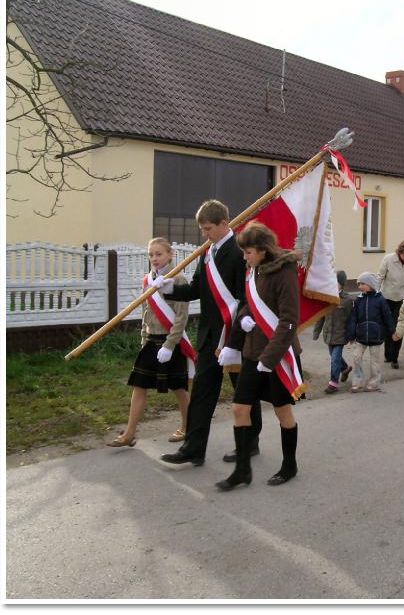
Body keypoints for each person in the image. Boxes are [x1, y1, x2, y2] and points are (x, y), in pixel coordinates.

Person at [155, 200, 260, 467]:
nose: (204, 234)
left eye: (208, 228)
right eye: (202, 229)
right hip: (210, 335)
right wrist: (171, 290)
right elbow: (196, 289)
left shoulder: (240, 253)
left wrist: (235, 341)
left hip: (236, 335)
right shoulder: (208, 253)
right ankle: (193, 448)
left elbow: (246, 298)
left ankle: (249, 444)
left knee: (243, 392)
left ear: (225, 224)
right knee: (202, 392)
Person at [214, 222, 305, 490]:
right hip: (253, 352)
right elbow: (247, 304)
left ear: (263, 250)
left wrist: (270, 358)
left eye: (249, 252)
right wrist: (241, 324)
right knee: (240, 409)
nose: (244, 257)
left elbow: (289, 320)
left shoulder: (284, 273)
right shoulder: (251, 271)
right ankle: (243, 470)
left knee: (282, 412)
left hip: (276, 356)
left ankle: (289, 465)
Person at [107, 237, 192, 447]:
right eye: (151, 255)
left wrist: (170, 345)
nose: (154, 258)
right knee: (139, 385)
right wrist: (144, 339)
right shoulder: (148, 280)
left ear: (170, 254)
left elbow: (181, 317)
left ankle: (188, 427)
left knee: (179, 388)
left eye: (159, 254)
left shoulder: (178, 280)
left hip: (171, 342)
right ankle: (129, 433)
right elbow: (147, 313)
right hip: (151, 341)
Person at [346, 272, 395, 392]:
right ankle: (358, 382)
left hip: (376, 337)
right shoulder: (358, 300)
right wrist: (351, 334)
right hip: (361, 336)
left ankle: (374, 383)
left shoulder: (380, 300)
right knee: (356, 357)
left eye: (362, 284)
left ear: (371, 285)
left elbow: (387, 317)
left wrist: (392, 331)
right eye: (359, 284)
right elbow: (353, 318)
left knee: (375, 362)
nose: (359, 286)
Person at [377, 240, 404, 370]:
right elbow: (380, 277)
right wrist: (376, 294)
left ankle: (394, 357)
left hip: (403, 299)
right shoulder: (388, 259)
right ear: (399, 252)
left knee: (398, 328)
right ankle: (388, 354)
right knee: (389, 327)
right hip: (387, 298)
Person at [312, 271, 354, 393]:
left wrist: (351, 335)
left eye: (335, 282)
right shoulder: (326, 298)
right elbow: (320, 316)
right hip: (328, 334)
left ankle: (333, 383)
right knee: (335, 357)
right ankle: (345, 368)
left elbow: (351, 319)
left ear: (341, 284)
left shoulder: (347, 300)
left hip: (341, 335)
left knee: (335, 358)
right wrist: (316, 332)